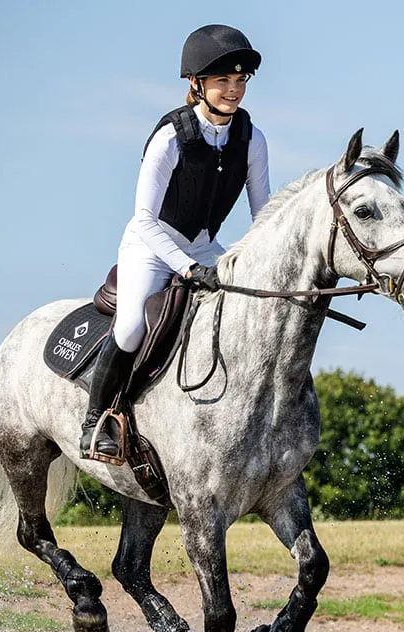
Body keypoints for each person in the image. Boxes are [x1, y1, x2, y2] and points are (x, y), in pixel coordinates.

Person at [80, 24, 271, 459]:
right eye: (223, 80)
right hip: (151, 245)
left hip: (204, 246)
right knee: (130, 326)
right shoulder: (171, 136)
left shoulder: (251, 138)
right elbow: (144, 219)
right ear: (196, 83)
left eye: (240, 80)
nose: (233, 89)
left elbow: (264, 215)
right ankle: (96, 421)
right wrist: (186, 268)